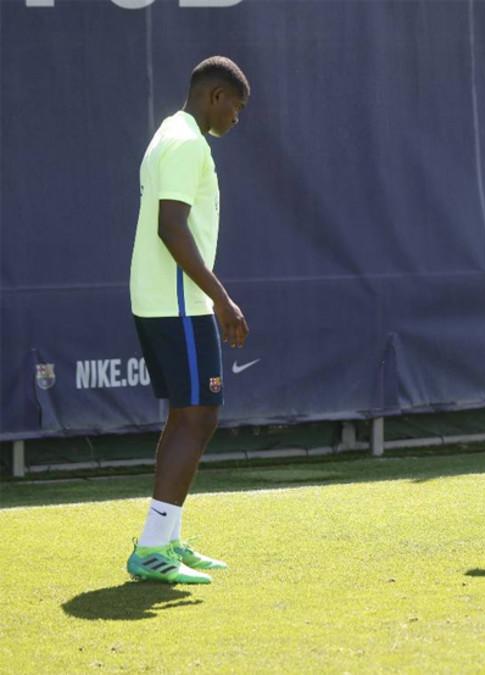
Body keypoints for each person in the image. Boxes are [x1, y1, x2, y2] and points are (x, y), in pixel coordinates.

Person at [126, 56, 250, 584]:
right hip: (178, 302)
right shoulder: (186, 142)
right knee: (198, 414)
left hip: (167, 299)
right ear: (216, 96)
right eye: (236, 108)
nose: (236, 120)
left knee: (189, 414)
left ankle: (165, 537)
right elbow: (171, 227)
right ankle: (153, 546)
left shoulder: (169, 132)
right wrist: (222, 299)